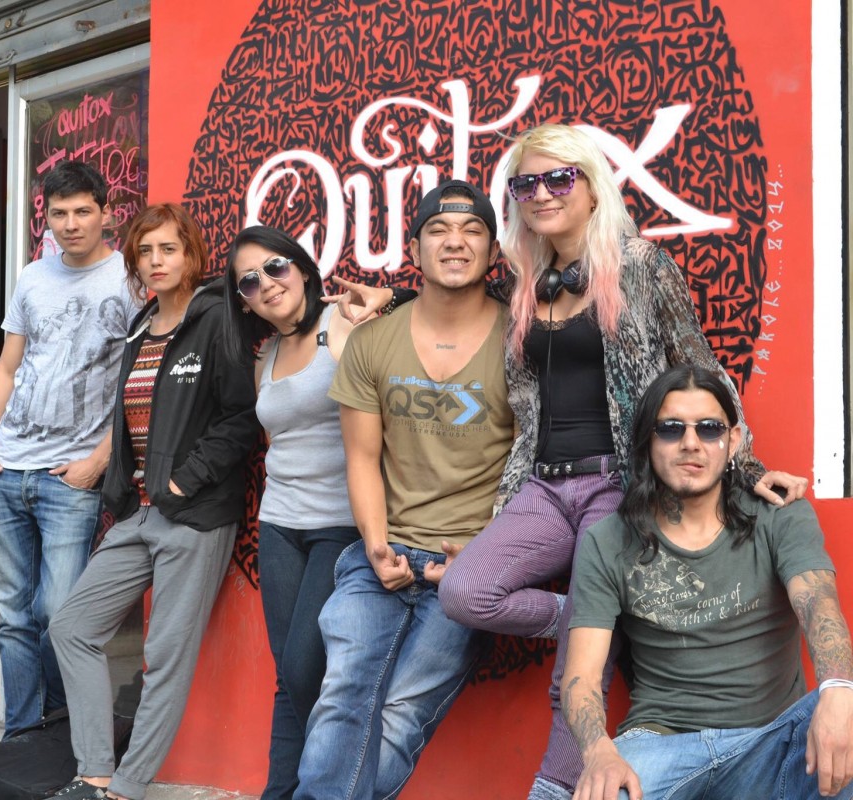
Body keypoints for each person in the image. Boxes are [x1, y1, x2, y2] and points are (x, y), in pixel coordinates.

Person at [419, 124, 806, 800]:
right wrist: (393, 301)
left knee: (576, 675)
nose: (542, 193)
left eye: (558, 178)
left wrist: (746, 468)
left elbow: (700, 368)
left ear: (592, 186)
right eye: (526, 183)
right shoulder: (525, 282)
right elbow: (480, 340)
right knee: (464, 592)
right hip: (543, 486)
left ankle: (553, 789)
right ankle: (596, 614)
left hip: (616, 483)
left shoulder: (642, 265)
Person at [291, 180, 513, 800]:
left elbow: (530, 467)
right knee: (343, 695)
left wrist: (490, 559)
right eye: (439, 230)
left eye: (472, 231)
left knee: (402, 715)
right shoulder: (372, 341)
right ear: (414, 248)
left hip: (469, 565)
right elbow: (362, 458)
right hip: (380, 553)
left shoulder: (522, 340)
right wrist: (375, 542)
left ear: (494, 252)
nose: (455, 242)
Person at [563, 364, 853, 800]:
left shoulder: (778, 515)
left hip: (773, 742)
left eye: (709, 428)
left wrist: (839, 690)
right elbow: (581, 677)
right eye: (671, 429)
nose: (691, 443)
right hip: (660, 745)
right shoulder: (608, 541)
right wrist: (597, 751)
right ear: (647, 441)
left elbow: (819, 608)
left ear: (732, 440)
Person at [48, 203, 260, 800]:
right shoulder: (142, 326)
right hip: (138, 511)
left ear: (192, 254)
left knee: (165, 655)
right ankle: (94, 771)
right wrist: (123, 489)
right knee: (72, 628)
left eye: (169, 249)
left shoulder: (217, 318)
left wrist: (185, 482)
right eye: (145, 251)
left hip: (193, 515)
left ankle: (127, 786)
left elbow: (241, 417)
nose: (156, 261)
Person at [0, 161, 139, 737]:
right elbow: (8, 366)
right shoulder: (32, 277)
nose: (71, 224)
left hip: (70, 476)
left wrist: (99, 461)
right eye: (59, 213)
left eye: (83, 211)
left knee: (58, 612)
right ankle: (21, 736)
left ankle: (62, 724)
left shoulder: (129, 281)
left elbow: (140, 382)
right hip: (5, 467)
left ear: (106, 214)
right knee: (13, 616)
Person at [220, 225, 363, 799]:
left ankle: (336, 784)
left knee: (307, 668)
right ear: (244, 302)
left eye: (276, 267)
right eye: (249, 281)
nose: (267, 284)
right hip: (280, 523)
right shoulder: (266, 354)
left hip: (340, 522)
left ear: (302, 269)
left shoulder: (342, 326)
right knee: (290, 674)